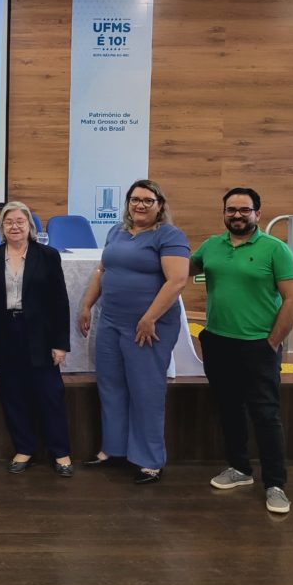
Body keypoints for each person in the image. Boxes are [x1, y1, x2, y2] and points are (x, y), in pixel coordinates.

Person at [191, 187, 293, 514]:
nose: (237, 215)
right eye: (231, 210)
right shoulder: (211, 246)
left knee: (265, 414)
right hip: (218, 342)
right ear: (224, 213)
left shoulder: (275, 249)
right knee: (229, 408)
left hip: (258, 346)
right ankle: (239, 468)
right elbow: (179, 270)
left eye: (244, 210)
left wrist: (272, 342)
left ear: (257, 214)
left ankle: (275, 484)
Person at [78, 179, 189, 484]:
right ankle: (114, 449)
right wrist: (87, 305)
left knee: (145, 390)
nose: (140, 205)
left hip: (148, 326)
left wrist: (150, 318)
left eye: (147, 200)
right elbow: (102, 270)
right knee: (111, 385)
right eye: (135, 199)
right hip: (111, 322)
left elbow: (177, 281)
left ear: (159, 205)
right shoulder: (117, 231)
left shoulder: (169, 235)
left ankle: (150, 460)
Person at [0, 201, 73, 477]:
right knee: (12, 393)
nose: (14, 226)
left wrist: (60, 343)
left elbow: (60, 301)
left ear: (30, 226)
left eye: (20, 221)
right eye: (9, 221)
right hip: (4, 333)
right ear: (1, 227)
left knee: (50, 394)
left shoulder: (47, 255)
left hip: (40, 334)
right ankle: (24, 449)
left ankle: (61, 452)